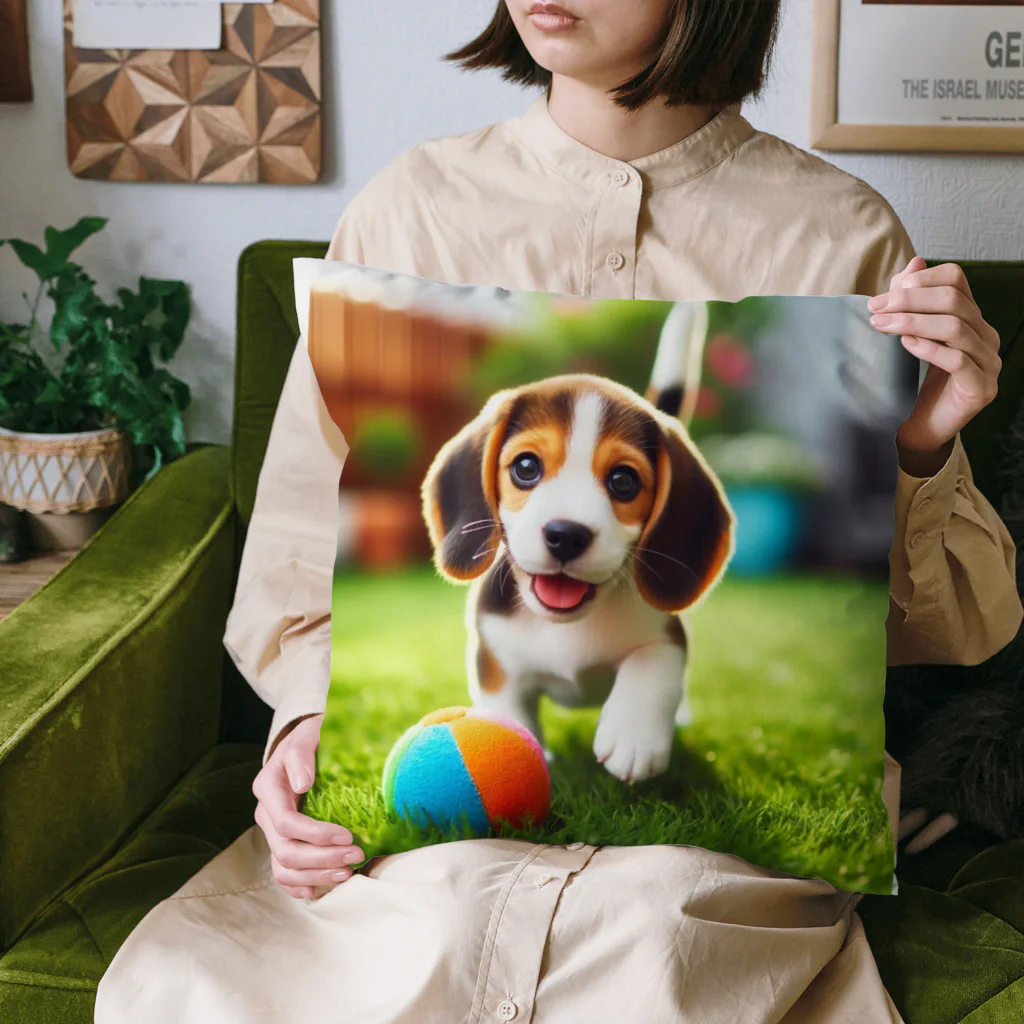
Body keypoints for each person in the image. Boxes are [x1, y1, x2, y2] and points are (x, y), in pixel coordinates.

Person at [96, 2, 1021, 1021]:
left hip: (708, 867)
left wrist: (923, 441)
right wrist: (302, 733)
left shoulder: (843, 237)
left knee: (656, 930)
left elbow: (952, 630)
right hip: (430, 841)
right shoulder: (409, 208)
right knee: (332, 952)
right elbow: (297, 557)